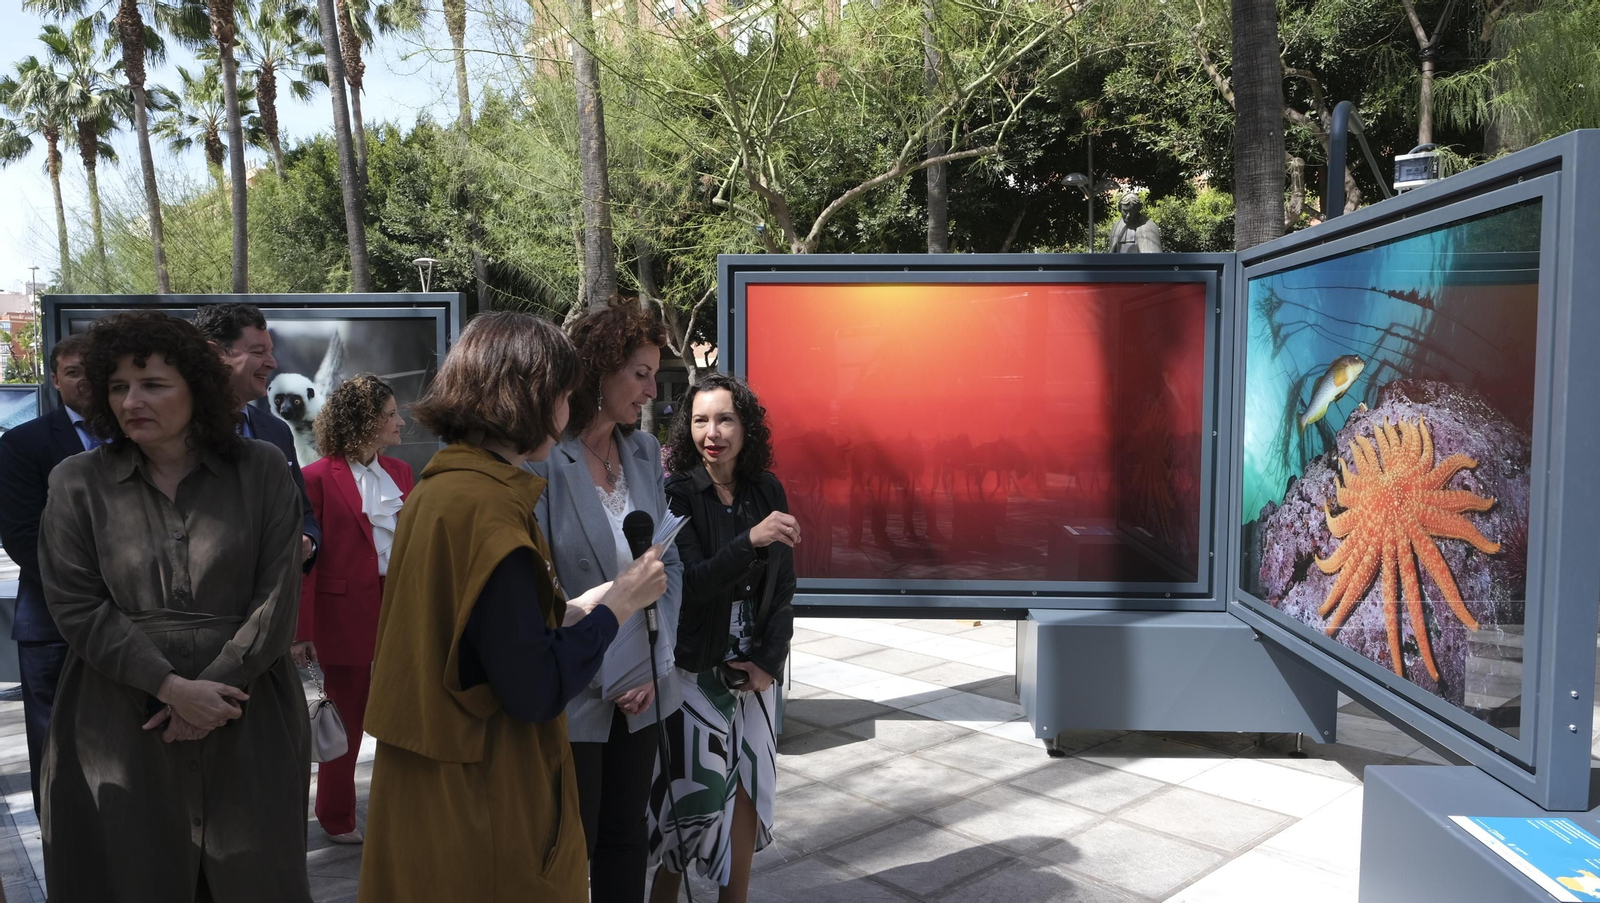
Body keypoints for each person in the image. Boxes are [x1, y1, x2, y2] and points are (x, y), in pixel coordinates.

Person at [357, 312, 668, 902]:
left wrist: (578, 607)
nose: (568, 409)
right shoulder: (489, 507)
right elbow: (534, 684)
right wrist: (619, 605)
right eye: (562, 394)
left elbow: (490, 635)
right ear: (527, 395)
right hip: (483, 800)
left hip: (430, 791)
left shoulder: (440, 490)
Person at [35, 311, 310, 902]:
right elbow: (76, 604)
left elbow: (278, 596)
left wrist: (212, 691)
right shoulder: (76, 483)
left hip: (248, 713)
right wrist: (172, 688)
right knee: (127, 873)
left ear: (197, 388)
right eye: (117, 386)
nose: (132, 399)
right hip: (117, 717)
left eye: (153, 384)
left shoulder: (261, 469)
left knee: (252, 878)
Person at [528, 305, 683, 901]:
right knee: (573, 842)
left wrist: (650, 665)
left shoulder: (644, 451)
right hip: (576, 685)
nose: (651, 388)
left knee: (627, 837)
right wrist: (604, 661)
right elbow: (541, 581)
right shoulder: (545, 458)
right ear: (599, 372)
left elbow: (670, 565)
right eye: (640, 374)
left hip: (645, 684)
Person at [648, 373, 798, 903]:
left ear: (746, 425)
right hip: (696, 666)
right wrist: (749, 540)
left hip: (755, 667)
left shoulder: (768, 489)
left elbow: (782, 588)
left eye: (725, 418)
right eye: (700, 420)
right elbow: (691, 584)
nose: (712, 432)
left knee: (751, 789)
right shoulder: (677, 493)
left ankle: (734, 899)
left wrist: (767, 662)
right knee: (695, 799)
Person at [290, 374, 415, 845]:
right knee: (347, 718)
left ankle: (400, 807)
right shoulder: (316, 478)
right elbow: (306, 563)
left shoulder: (400, 474)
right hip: (342, 614)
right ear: (364, 422)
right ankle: (335, 815)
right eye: (389, 415)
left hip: (397, 604)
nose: (400, 421)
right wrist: (302, 631)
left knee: (402, 713)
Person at [0, 333, 95, 815]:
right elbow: (21, 537)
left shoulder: (136, 438)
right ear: (55, 380)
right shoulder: (24, 444)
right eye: (73, 372)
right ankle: (63, 851)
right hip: (52, 622)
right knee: (55, 749)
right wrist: (89, 591)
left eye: (92, 370)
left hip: (135, 620)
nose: (84, 381)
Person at [191, 302, 322, 569]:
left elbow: (301, 509)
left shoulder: (276, 431)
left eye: (271, 351)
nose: (272, 363)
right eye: (258, 351)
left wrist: (308, 539)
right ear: (213, 354)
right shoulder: (175, 429)